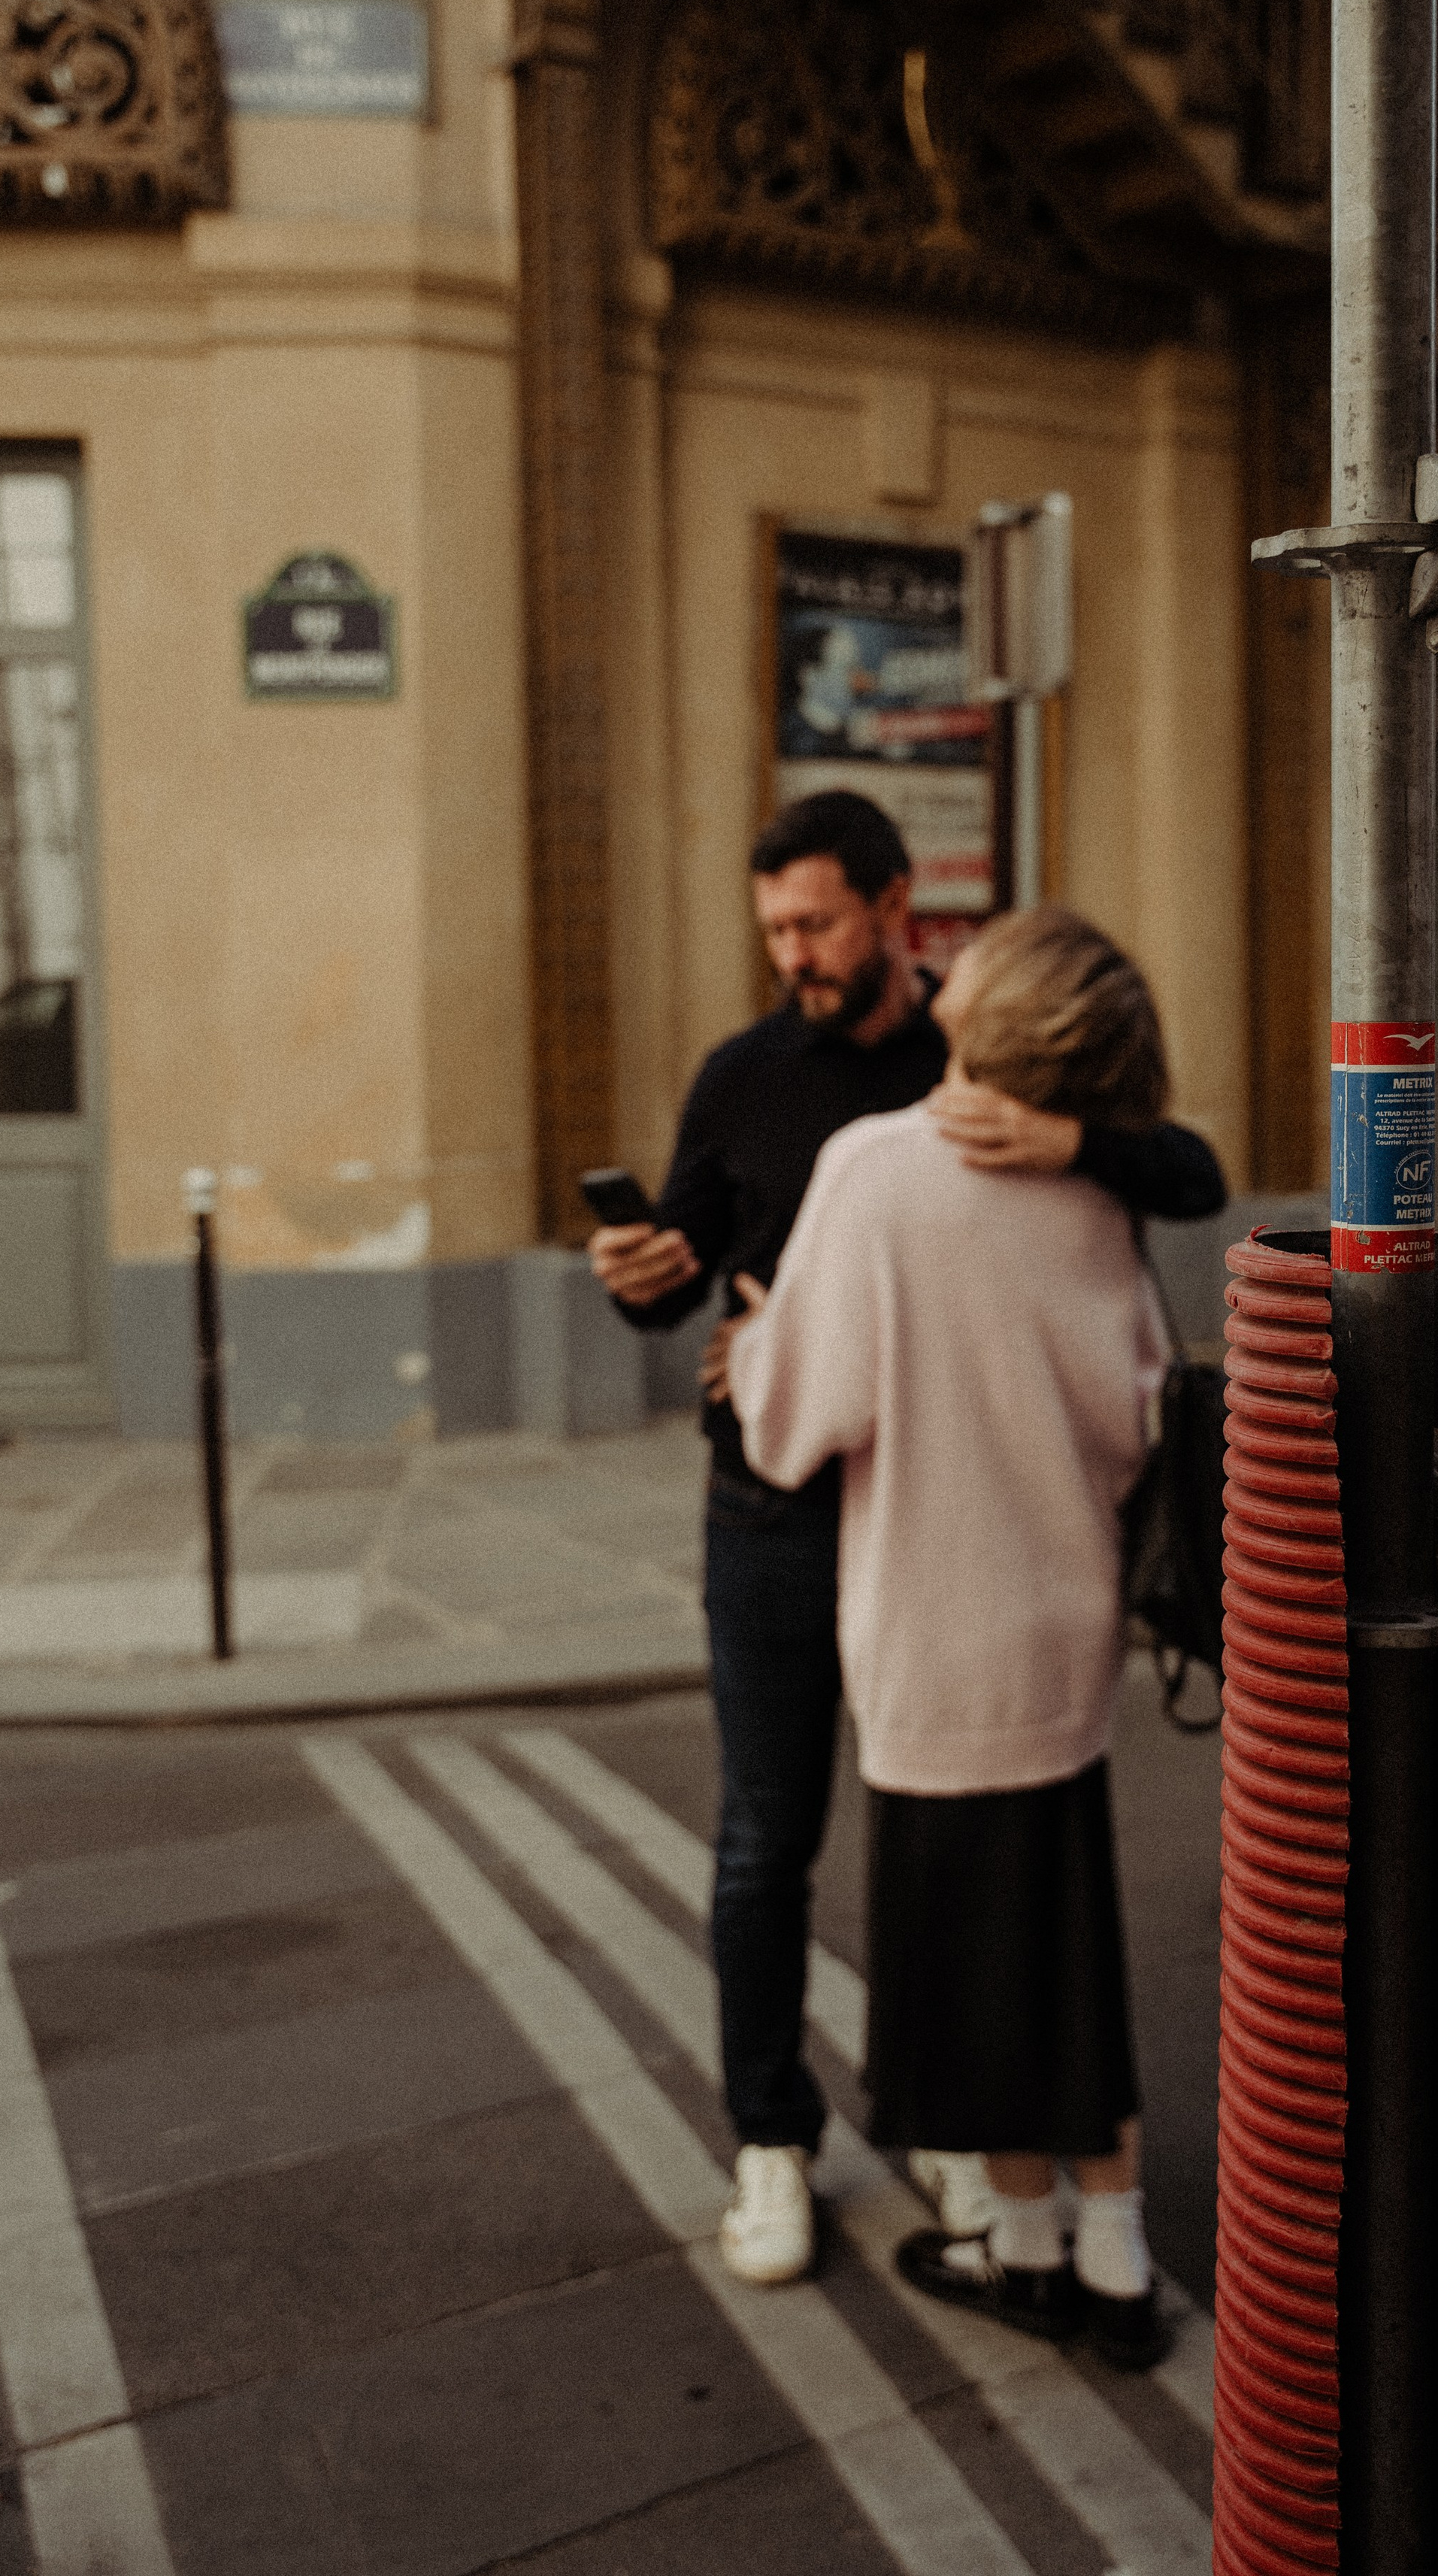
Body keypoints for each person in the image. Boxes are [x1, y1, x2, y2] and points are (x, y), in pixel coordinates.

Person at [591, 792, 1223, 2287]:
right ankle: (777, 2138)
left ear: (894, 911)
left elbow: (1182, 1173)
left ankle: (984, 2163)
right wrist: (644, 1277)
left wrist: (1070, 1138)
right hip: (788, 1526)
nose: (792, 954)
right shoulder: (743, 1076)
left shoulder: (983, 1075)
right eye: (773, 931)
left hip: (923, 1529)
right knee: (772, 1843)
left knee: (941, 1869)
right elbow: (681, 1271)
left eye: (814, 923)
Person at [727, 905, 1173, 2367]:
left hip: (932, 1638)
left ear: (1002, 1012)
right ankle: (1107, 2253)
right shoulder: (1091, 1182)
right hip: (1062, 1633)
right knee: (1064, 1953)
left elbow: (797, 1421)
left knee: (967, 1977)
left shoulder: (876, 1169)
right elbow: (1139, 1409)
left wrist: (755, 1344)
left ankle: (1027, 2245)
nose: (948, 960)